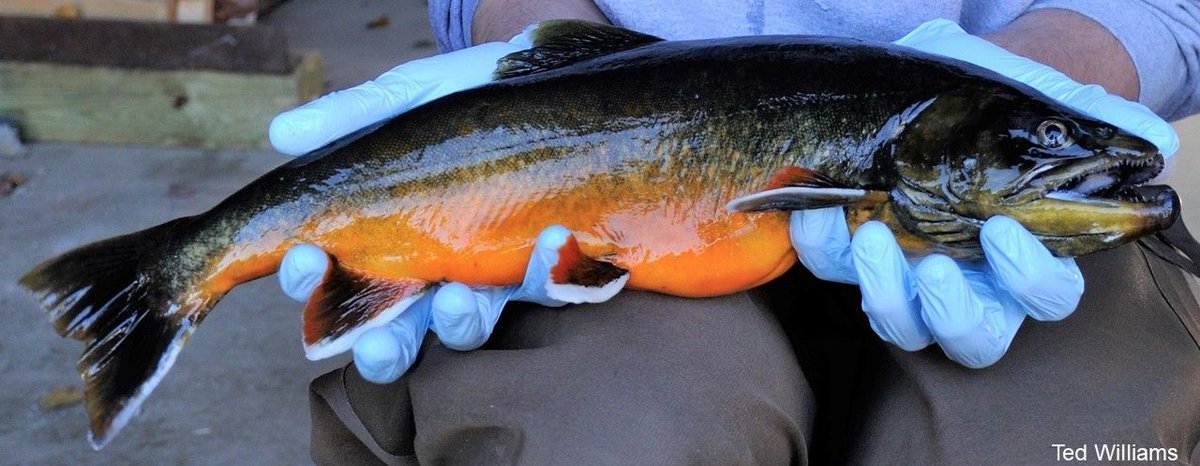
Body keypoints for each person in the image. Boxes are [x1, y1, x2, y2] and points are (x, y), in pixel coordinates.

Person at [270, 2, 1200, 464]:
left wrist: (1043, 74)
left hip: (1002, 96)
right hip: (598, 155)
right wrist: (534, 63)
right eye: (1050, 144)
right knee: (610, 437)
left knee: (1081, 442)